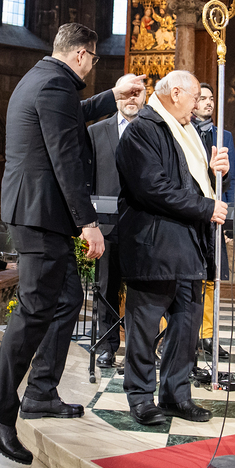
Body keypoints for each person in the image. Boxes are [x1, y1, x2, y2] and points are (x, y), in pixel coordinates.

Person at [0, 23, 145, 465]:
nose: (91, 66)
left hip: (37, 212)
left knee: (66, 298)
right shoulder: (54, 85)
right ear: (83, 54)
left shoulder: (43, 78)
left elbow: (71, 115)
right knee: (34, 310)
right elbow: (66, 156)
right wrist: (88, 222)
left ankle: (41, 392)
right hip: (41, 215)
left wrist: (113, 95)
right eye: (93, 59)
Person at [116, 70, 229, 426]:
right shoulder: (143, 130)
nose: (198, 106)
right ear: (176, 93)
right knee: (144, 327)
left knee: (186, 326)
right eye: (195, 98)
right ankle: (140, 397)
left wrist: (215, 173)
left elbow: (192, 184)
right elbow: (153, 188)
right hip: (154, 246)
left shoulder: (187, 133)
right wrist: (206, 207)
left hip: (189, 246)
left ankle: (176, 395)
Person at [88, 73, 146, 368]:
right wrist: (88, 222)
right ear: (117, 94)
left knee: (142, 290)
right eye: (128, 92)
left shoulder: (156, 131)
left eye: (139, 92)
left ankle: (139, 349)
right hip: (107, 225)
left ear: (146, 97)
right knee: (106, 287)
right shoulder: (96, 132)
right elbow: (88, 179)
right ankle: (107, 346)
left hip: (145, 226)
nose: (133, 98)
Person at [192, 82, 235, 361]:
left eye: (211, 98)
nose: (209, 103)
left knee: (211, 275)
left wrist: (228, 224)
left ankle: (207, 336)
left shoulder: (224, 136)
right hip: (189, 211)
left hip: (215, 217)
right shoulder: (183, 131)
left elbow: (232, 180)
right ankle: (175, 335)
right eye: (203, 98)